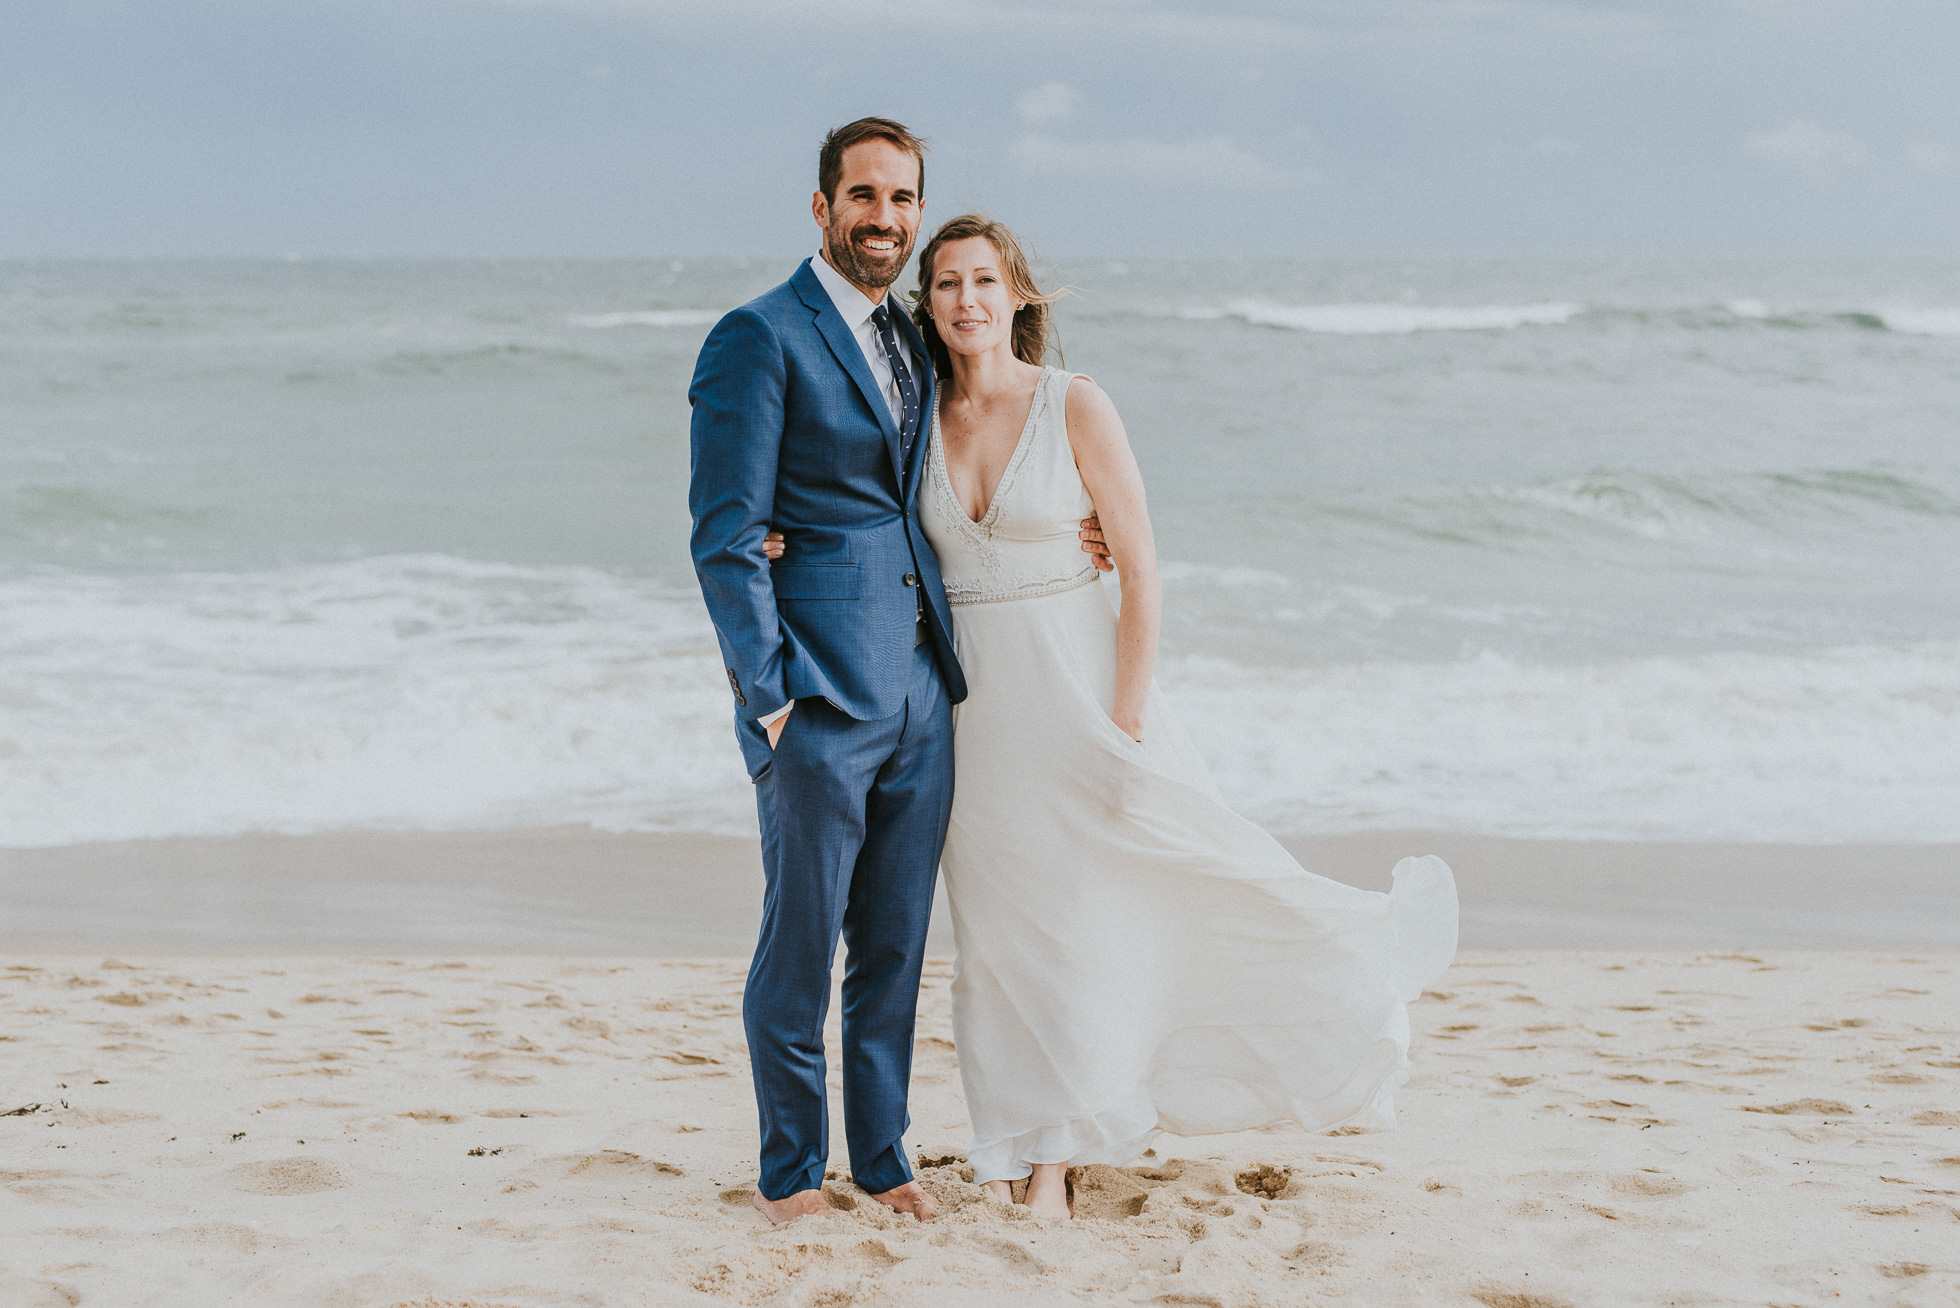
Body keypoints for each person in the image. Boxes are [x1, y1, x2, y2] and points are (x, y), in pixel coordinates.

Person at [768, 215, 1457, 1220]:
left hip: (1080, 696)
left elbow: (1139, 571)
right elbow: (855, 513)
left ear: (1018, 298)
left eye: (983, 282)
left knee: (1091, 923)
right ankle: (1007, 1137)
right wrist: (784, 535)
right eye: (947, 284)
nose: (965, 300)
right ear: (929, 305)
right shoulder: (912, 416)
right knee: (1002, 938)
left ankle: (1055, 1157)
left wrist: (1125, 721)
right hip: (965, 715)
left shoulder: (1075, 405)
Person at [686, 121, 1112, 1226]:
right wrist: (768, 695)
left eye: (903, 199)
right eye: (863, 196)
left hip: (930, 692)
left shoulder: (913, 341)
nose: (884, 218)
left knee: (893, 948)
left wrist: (1079, 534)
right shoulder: (758, 337)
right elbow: (725, 535)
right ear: (821, 207)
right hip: (818, 700)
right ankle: (790, 1175)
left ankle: (881, 1161)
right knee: (799, 945)